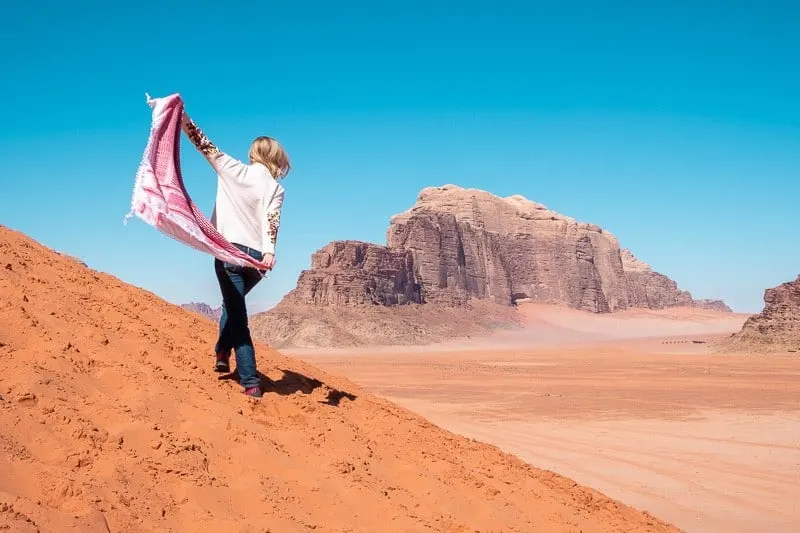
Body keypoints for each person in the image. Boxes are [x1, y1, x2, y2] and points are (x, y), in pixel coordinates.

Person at [181, 108, 290, 398]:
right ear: (276, 158)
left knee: (238, 316)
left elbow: (203, 144)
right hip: (256, 261)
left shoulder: (234, 169)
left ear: (254, 153)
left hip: (229, 255)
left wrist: (182, 117)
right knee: (233, 304)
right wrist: (269, 253)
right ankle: (221, 352)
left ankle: (250, 381)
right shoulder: (276, 188)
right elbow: (272, 221)